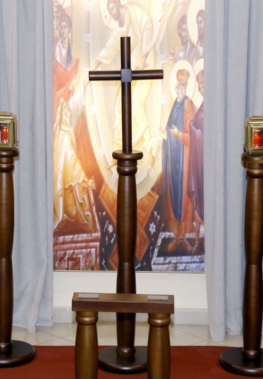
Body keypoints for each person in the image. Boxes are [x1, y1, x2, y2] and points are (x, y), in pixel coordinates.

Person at [92, 0, 158, 168]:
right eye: (109, 11)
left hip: (145, 63)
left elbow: (148, 26)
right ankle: (119, 153)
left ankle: (150, 148)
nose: (112, 13)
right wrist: (95, 66)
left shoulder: (134, 11)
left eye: (112, 9)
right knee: (119, 107)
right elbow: (110, 47)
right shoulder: (120, 29)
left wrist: (143, 57)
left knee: (136, 106)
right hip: (131, 67)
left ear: (118, 4)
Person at [162, 69, 197, 253]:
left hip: (184, 158)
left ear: (187, 87)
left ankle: (183, 237)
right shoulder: (174, 104)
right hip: (173, 158)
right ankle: (176, 237)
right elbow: (170, 128)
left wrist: (178, 135)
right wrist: (166, 134)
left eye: (184, 84)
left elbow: (193, 137)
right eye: (178, 84)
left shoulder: (188, 105)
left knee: (183, 198)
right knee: (173, 197)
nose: (180, 88)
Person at [53, 98, 96, 233]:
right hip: (63, 191)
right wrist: (85, 180)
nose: (69, 113)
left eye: (68, 110)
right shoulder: (65, 136)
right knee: (81, 206)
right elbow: (73, 163)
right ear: (61, 114)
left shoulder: (61, 132)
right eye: (65, 110)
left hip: (64, 188)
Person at [188, 70, 205, 253]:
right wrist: (193, 127)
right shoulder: (201, 106)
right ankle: (197, 241)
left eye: (204, 85)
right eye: (199, 86)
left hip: (208, 162)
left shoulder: (212, 107)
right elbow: (196, 125)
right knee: (198, 196)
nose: (201, 89)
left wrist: (195, 126)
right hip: (199, 160)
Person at [53, 12, 79, 122]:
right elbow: (59, 72)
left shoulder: (72, 47)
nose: (63, 30)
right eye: (61, 27)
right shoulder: (57, 48)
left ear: (69, 29)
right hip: (61, 86)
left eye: (65, 27)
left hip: (70, 85)